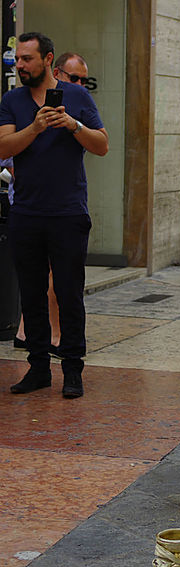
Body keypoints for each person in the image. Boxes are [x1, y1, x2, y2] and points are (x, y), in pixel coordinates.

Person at [0, 32, 108, 398]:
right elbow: (2, 147)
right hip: (26, 211)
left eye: (27, 59)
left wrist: (73, 125)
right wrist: (36, 127)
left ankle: (73, 370)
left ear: (47, 60)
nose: (20, 65)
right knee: (31, 294)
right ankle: (39, 369)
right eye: (18, 59)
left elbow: (102, 145)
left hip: (68, 212)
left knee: (68, 293)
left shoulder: (77, 97)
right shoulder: (11, 100)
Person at [12, 50, 93, 353]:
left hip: (64, 205)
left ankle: (37, 334)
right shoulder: (20, 103)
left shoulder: (77, 105)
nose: (81, 85)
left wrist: (74, 125)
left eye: (86, 80)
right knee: (40, 278)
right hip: (29, 203)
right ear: (56, 72)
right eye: (75, 78)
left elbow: (100, 144)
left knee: (59, 278)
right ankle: (44, 336)